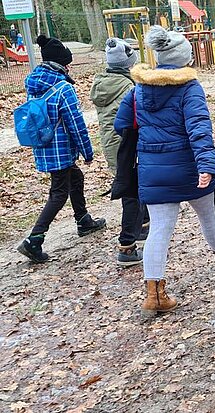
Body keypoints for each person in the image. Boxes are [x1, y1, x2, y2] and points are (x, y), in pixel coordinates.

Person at [114, 25, 215, 315]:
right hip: (189, 168)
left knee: (159, 230)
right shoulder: (189, 88)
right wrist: (207, 165)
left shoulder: (138, 89)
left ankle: (155, 294)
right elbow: (199, 129)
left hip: (153, 170)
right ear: (185, 58)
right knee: (208, 214)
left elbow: (121, 125)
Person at [17, 35, 107, 263]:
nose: (69, 67)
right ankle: (34, 240)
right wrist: (87, 152)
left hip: (42, 146)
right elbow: (76, 123)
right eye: (67, 63)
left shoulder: (33, 84)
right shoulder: (62, 88)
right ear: (61, 64)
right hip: (61, 150)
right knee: (58, 194)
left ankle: (83, 220)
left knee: (75, 177)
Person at [90, 37, 149, 267]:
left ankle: (143, 225)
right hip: (127, 146)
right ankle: (127, 246)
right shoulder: (128, 87)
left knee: (134, 187)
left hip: (112, 145)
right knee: (131, 193)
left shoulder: (103, 83)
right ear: (128, 63)